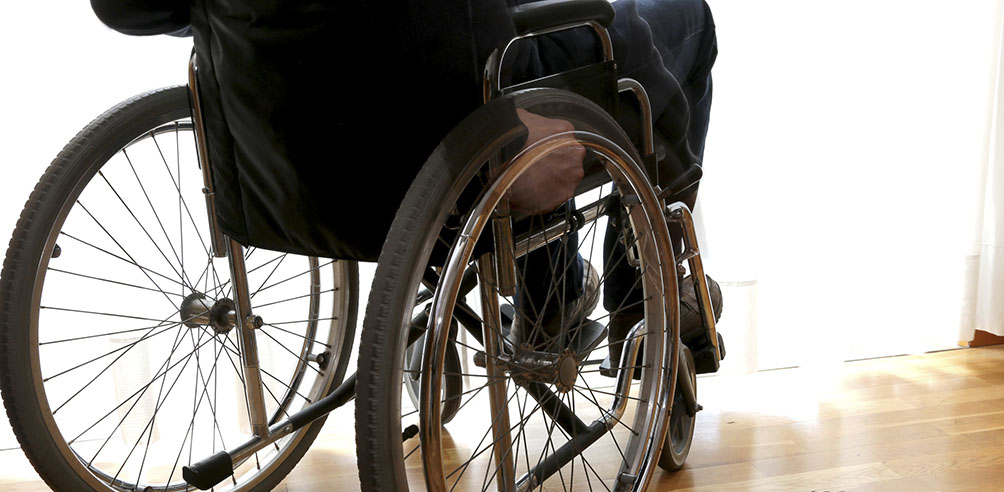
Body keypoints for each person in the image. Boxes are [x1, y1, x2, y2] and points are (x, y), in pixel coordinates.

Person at [90, 0, 722, 356]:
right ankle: (641, 292)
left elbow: (128, 5)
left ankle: (551, 290)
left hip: (292, 157)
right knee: (684, 16)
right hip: (452, 122)